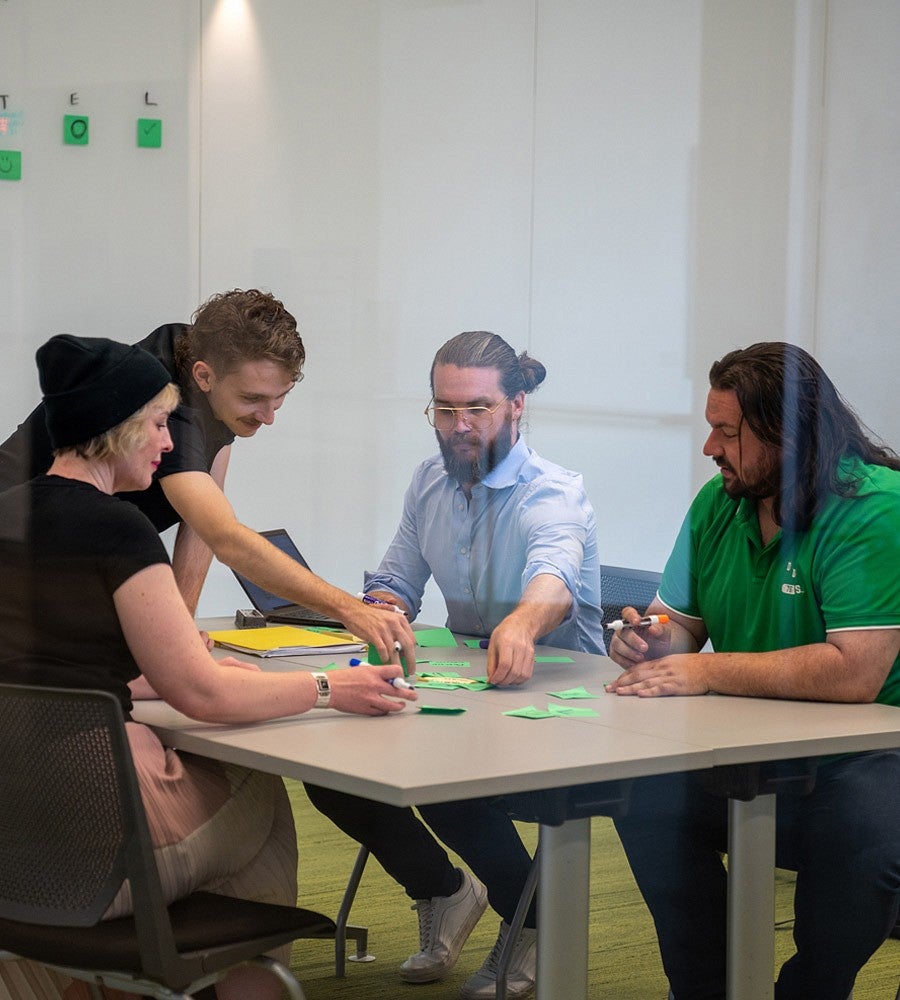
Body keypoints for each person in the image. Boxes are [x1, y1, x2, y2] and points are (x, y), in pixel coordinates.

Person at [0, 335, 416, 1000]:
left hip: (17, 838)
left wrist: (206, 676)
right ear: (121, 429)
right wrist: (327, 686)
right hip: (87, 844)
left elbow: (55, 667)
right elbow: (198, 692)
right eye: (161, 425)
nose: (169, 447)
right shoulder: (116, 530)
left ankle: (124, 981)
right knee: (259, 788)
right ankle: (242, 977)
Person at [305, 330, 604, 1000]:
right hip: (470, 693)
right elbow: (397, 580)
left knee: (446, 777)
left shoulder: (554, 491)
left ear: (517, 405)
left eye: (477, 409)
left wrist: (523, 624)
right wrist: (380, 604)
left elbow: (553, 579)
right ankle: (443, 891)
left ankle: (530, 923)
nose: (459, 426)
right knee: (330, 769)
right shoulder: (429, 481)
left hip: (564, 702)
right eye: (445, 409)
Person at [606, 342, 900, 1000]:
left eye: (727, 432)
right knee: (641, 794)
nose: (710, 447)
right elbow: (678, 625)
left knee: (866, 842)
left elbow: (856, 674)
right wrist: (646, 642)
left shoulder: (874, 506)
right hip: (749, 745)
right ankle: (710, 987)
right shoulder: (721, 501)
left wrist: (707, 674)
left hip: (869, 755)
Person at [0, 289, 415, 668]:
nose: (268, 417)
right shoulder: (169, 401)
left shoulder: (203, 365)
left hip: (57, 574)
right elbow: (225, 536)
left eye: (280, 397)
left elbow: (203, 521)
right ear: (203, 376)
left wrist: (180, 631)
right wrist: (348, 609)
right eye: (253, 399)